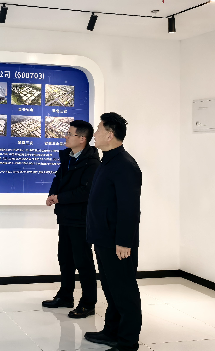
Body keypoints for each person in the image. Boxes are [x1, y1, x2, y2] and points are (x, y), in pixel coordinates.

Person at [84, 113, 142, 351]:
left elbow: (129, 208)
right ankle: (111, 331)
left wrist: (124, 241)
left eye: (98, 130)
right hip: (103, 238)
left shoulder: (125, 165)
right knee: (111, 289)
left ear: (110, 134)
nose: (94, 135)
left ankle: (127, 341)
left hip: (117, 242)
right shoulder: (107, 161)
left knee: (124, 291)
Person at [42, 120, 100, 319]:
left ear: (82, 139)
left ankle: (88, 302)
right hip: (65, 216)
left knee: (83, 261)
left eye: (69, 133)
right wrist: (52, 195)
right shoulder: (68, 156)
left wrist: (60, 198)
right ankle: (65, 296)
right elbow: (58, 179)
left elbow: (86, 191)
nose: (65, 136)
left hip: (80, 218)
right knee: (65, 258)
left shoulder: (92, 162)